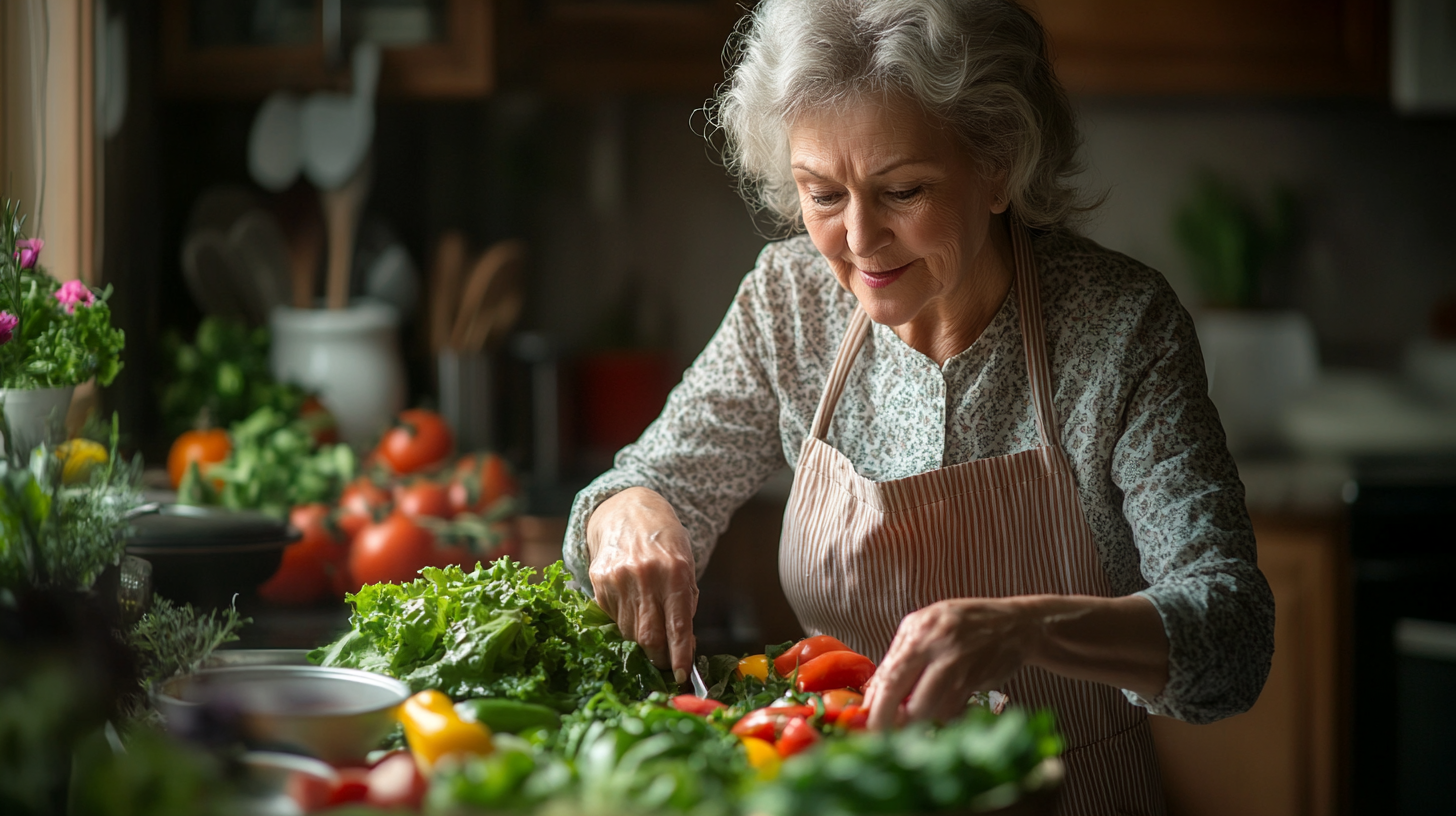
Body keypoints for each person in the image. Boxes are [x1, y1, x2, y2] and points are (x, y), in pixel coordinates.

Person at [563, 1, 1274, 812]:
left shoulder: (1119, 328)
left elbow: (1233, 635)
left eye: (903, 190)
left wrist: (1028, 629)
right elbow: (648, 483)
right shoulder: (788, 302)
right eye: (822, 194)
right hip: (845, 793)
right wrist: (627, 512)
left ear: (999, 163)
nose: (861, 238)